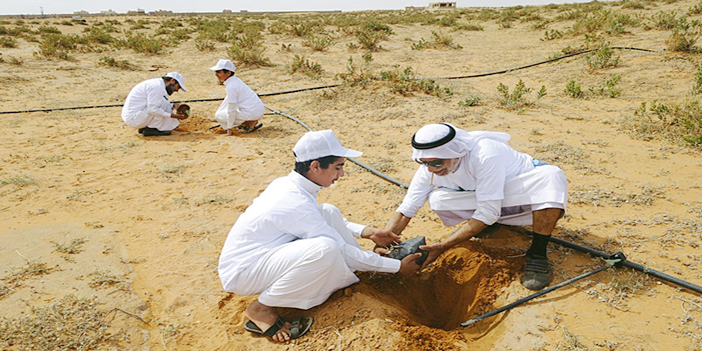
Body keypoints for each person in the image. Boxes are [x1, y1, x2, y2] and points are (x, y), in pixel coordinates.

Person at [218, 130, 421, 343]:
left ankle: (350, 273)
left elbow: (319, 218)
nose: (341, 173)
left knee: (328, 211)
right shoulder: (293, 201)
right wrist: (397, 268)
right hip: (243, 272)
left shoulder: (291, 186)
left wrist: (368, 232)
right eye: (338, 167)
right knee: (326, 248)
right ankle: (261, 309)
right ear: (315, 166)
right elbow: (336, 246)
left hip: (263, 257)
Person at [385, 123, 568, 291]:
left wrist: (444, 246)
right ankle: (488, 226)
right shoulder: (430, 166)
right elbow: (406, 209)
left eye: (436, 163)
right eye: (424, 163)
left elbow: (489, 211)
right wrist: (383, 243)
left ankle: (537, 253)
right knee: (439, 200)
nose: (431, 169)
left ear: (455, 152)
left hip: (520, 193)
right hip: (487, 196)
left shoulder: (485, 154)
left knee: (551, 178)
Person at [121, 72, 189, 136]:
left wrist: (174, 106)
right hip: (133, 118)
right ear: (172, 81)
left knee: (163, 103)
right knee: (160, 106)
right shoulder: (157, 86)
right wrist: (172, 115)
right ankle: (153, 129)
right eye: (178, 87)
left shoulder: (158, 85)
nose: (177, 90)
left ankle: (148, 127)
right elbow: (152, 109)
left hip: (135, 116)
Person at [209, 59, 265, 135]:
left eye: (219, 72)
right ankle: (248, 122)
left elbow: (232, 109)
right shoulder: (235, 81)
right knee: (226, 104)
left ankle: (248, 123)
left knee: (219, 116)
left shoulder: (231, 86)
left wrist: (229, 128)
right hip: (256, 110)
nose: (216, 74)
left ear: (228, 73)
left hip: (252, 112)